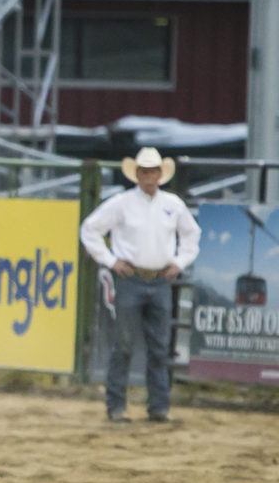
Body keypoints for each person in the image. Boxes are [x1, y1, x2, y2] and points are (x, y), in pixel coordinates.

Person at [80, 146, 201, 424]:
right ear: (137, 174)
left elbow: (192, 235)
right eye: (144, 172)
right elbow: (90, 229)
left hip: (159, 279)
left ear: (160, 174)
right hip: (131, 278)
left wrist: (179, 263)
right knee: (123, 344)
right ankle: (117, 407)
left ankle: (158, 407)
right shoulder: (122, 203)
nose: (149, 177)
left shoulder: (173, 205)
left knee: (158, 346)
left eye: (153, 172)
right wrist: (111, 261)